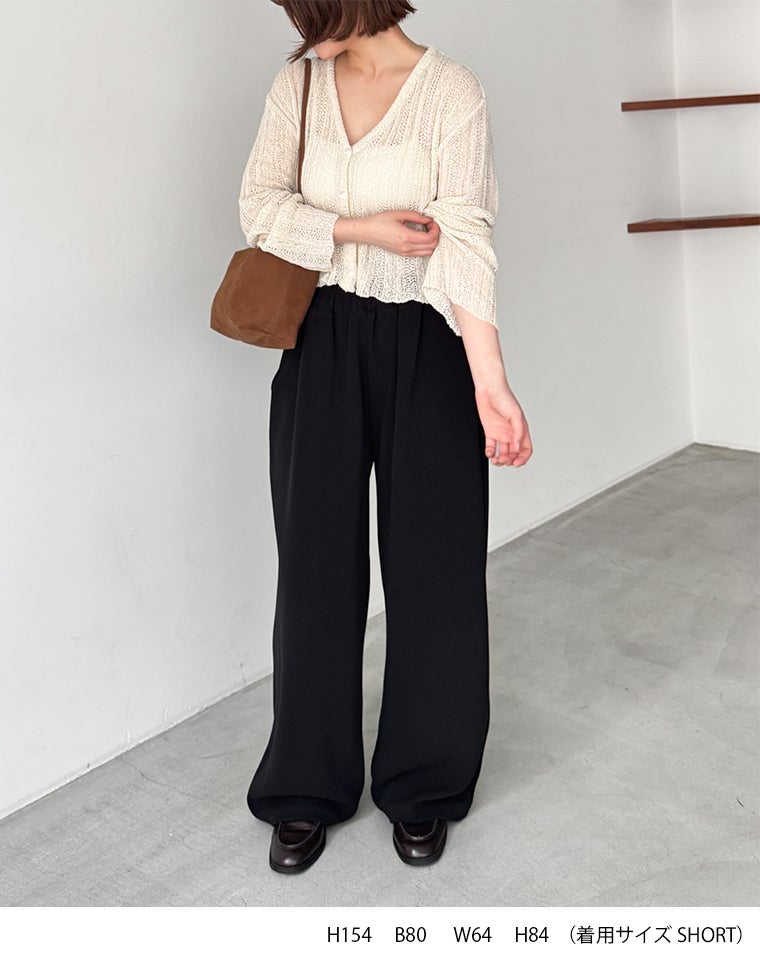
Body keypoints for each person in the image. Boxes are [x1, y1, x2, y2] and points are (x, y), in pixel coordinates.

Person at [238, 0, 533, 873]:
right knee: (315, 568)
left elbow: (466, 238)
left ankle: (424, 783)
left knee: (436, 570)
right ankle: (305, 786)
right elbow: (259, 208)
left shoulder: (452, 92)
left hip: (428, 345)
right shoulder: (298, 86)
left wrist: (490, 381)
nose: (298, 25)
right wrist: (359, 228)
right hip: (319, 342)